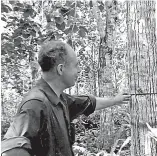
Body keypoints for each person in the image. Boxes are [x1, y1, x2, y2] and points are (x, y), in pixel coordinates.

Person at [1, 40, 131, 156]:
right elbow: (11, 150)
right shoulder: (35, 103)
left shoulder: (60, 99)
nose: (79, 70)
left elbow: (88, 103)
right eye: (76, 65)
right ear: (61, 69)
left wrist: (115, 100)